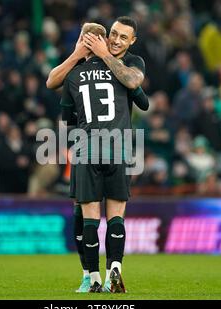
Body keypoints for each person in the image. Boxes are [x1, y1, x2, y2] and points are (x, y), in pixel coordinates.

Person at [47, 18, 147, 293]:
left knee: (86, 216)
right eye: (113, 34)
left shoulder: (85, 70)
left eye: (122, 37)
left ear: (132, 41)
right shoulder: (106, 66)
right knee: (115, 216)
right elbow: (141, 99)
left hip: (86, 147)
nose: (115, 40)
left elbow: (63, 109)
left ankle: (91, 277)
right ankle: (113, 268)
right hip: (118, 146)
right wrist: (82, 54)